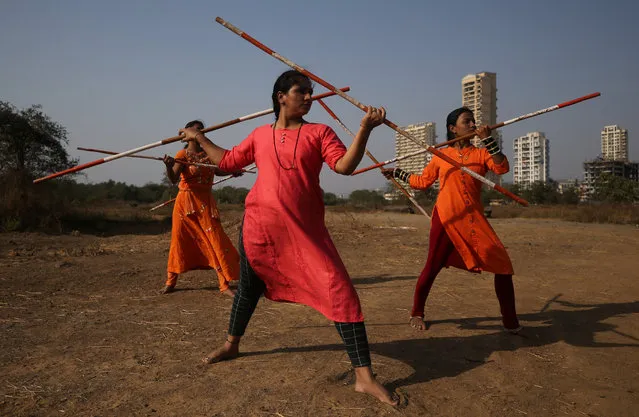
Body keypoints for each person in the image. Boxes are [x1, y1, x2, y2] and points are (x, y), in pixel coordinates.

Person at [179, 70, 398, 406]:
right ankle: (232, 344)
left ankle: (363, 377)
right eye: (302, 92)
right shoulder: (258, 135)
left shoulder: (319, 132)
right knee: (249, 290)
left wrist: (365, 129)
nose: (309, 98)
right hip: (259, 229)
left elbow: (344, 166)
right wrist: (200, 138)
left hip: (304, 232)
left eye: (311, 92)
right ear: (281, 96)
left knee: (340, 292)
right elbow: (226, 161)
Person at [383, 107, 521, 333]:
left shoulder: (481, 153)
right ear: (452, 129)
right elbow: (422, 182)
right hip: (446, 217)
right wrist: (398, 173)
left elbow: (502, 167)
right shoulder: (441, 156)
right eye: (467, 122)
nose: (472, 125)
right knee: (433, 265)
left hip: (473, 218)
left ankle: (510, 321)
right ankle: (417, 312)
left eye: (473, 121)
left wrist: (487, 139)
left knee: (503, 266)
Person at [162, 120, 241, 297]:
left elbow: (217, 170)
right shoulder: (182, 154)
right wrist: (168, 165)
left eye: (202, 129)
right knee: (179, 241)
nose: (201, 132)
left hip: (206, 204)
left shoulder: (208, 153)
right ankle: (170, 281)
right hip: (185, 203)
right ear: (187, 134)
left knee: (216, 241)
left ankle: (224, 284)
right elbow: (174, 178)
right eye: (197, 130)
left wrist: (232, 171)